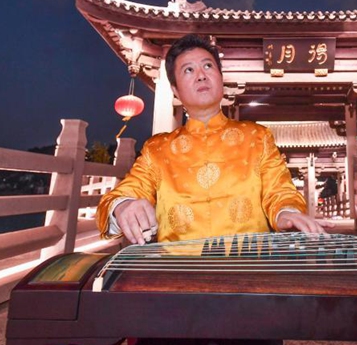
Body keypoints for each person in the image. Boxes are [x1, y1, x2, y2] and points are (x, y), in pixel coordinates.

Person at [97, 34, 332, 244]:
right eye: (188, 70)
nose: (201, 75)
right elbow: (124, 193)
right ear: (176, 90)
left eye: (208, 66)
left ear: (221, 78)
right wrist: (124, 206)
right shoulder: (156, 149)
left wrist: (285, 212)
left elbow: (279, 190)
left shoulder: (257, 137)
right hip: (178, 270)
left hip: (249, 267)